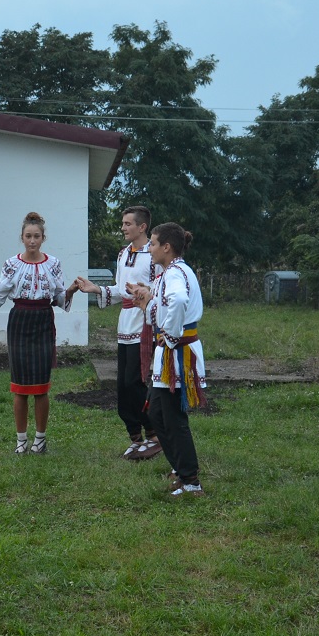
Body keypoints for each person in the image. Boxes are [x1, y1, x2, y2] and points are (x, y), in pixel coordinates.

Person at [0, 212, 79, 454]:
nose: (32, 241)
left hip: (43, 321)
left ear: (44, 238)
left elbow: (59, 298)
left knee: (41, 387)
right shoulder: (11, 264)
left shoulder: (53, 264)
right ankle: (21, 440)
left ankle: (40, 440)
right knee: (20, 386)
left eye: (36, 236)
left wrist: (72, 289)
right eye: (28, 236)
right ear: (21, 238)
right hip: (20, 321)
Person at [72, 206, 161, 460]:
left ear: (142, 227)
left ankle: (154, 435)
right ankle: (135, 437)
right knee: (123, 385)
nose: (123, 228)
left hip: (143, 325)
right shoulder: (123, 254)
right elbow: (120, 290)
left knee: (136, 383)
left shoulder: (153, 255)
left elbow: (159, 288)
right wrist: (96, 289)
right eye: (123, 223)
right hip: (124, 326)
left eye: (127, 223)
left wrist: (145, 292)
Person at [128, 222, 207, 496]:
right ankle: (180, 470)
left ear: (166, 247)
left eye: (152, 243)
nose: (149, 249)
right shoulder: (169, 273)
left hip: (177, 351)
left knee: (172, 416)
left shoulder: (174, 273)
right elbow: (165, 306)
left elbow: (179, 302)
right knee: (157, 413)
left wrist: (170, 337)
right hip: (170, 351)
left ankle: (191, 481)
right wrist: (147, 302)